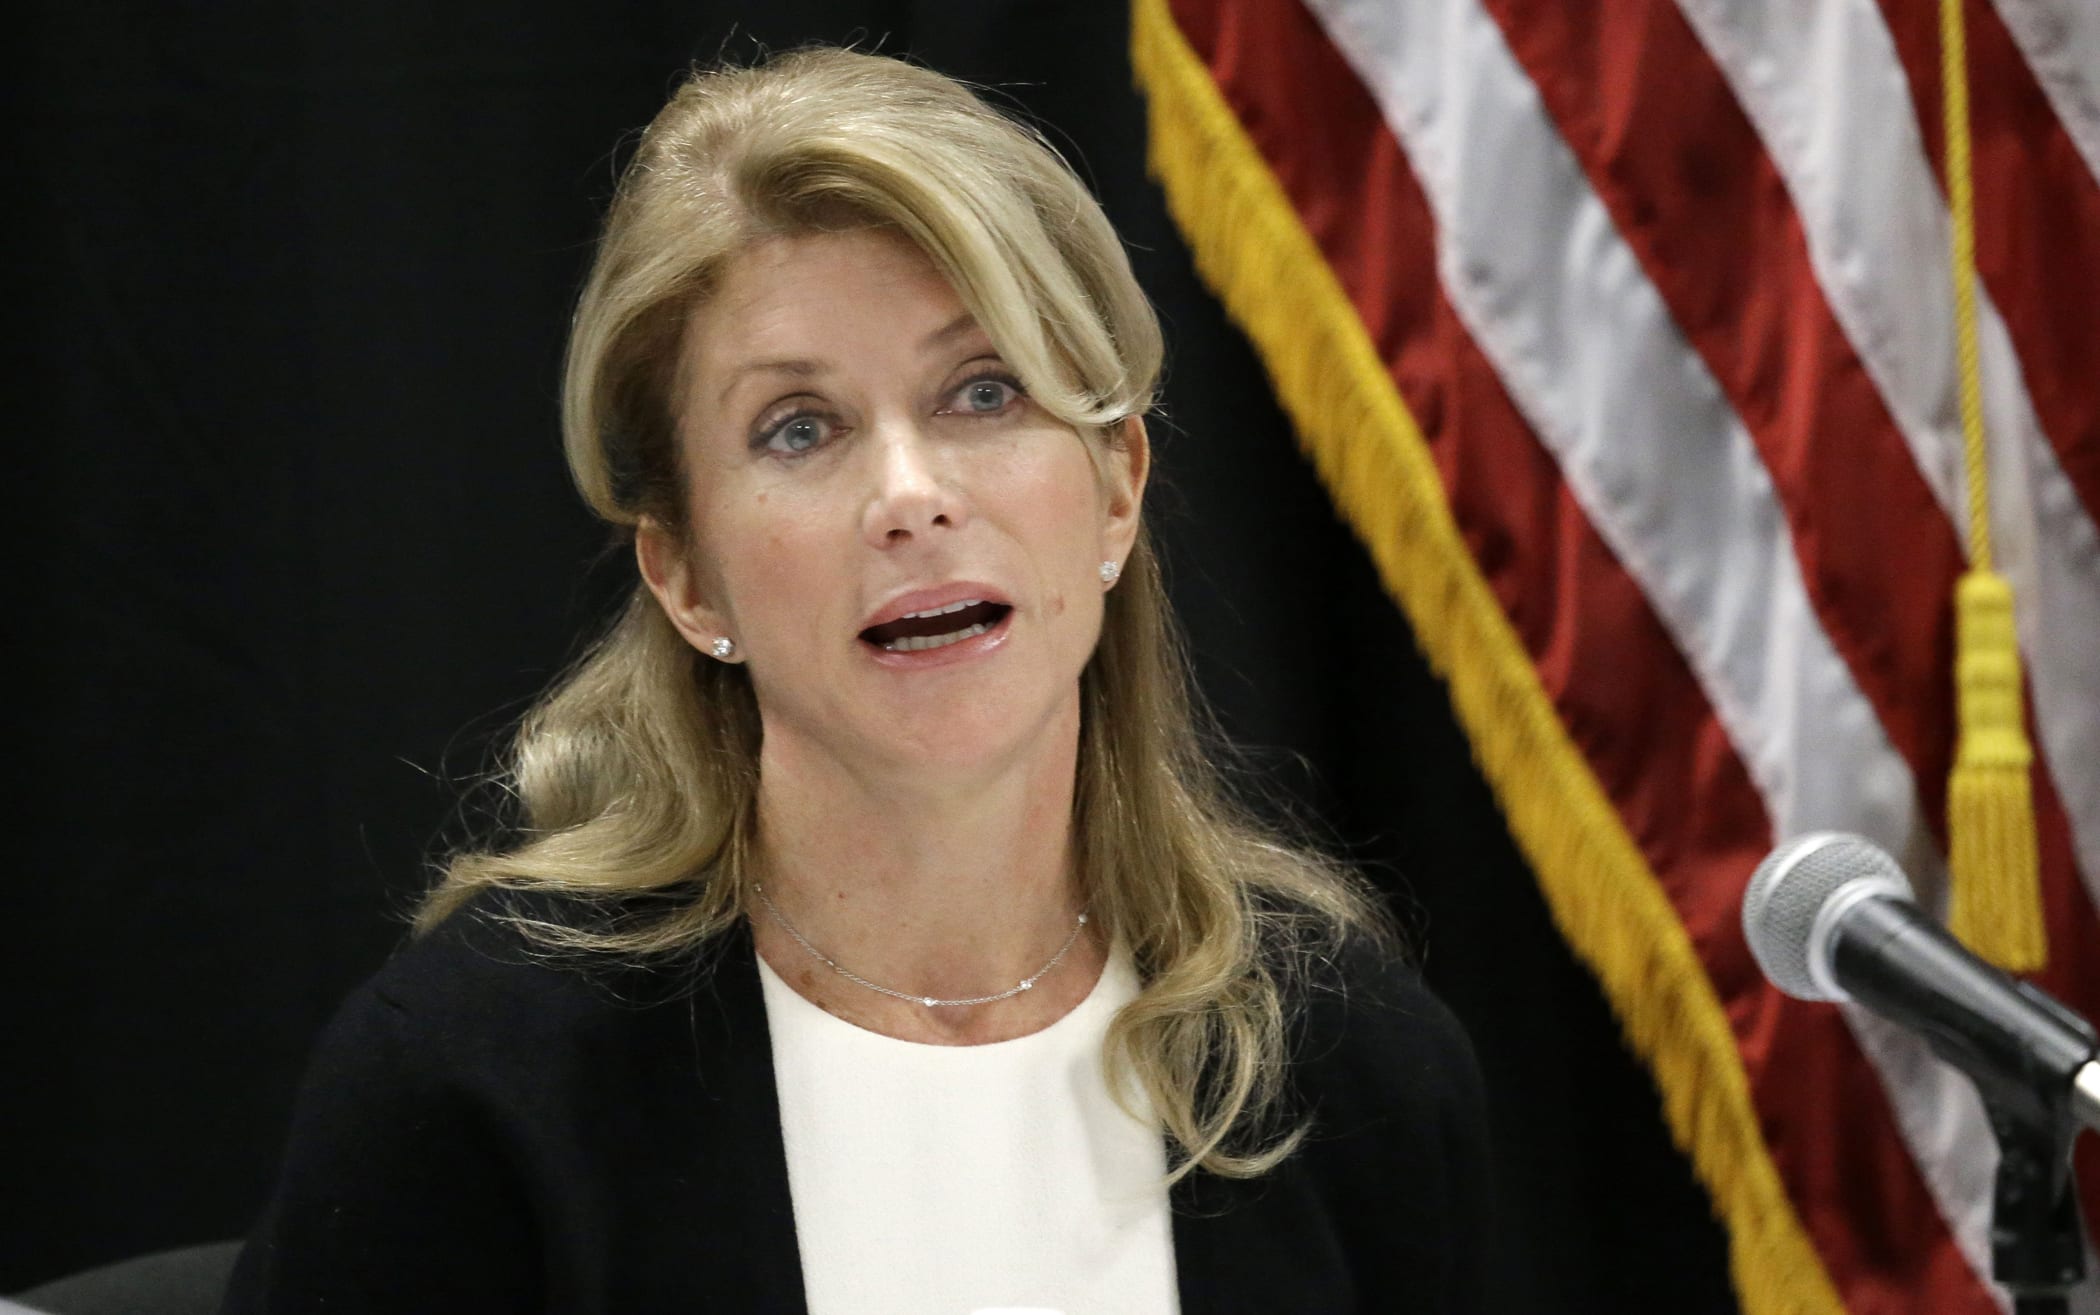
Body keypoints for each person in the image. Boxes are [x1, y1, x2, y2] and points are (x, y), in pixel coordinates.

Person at [223, 46, 1497, 1315]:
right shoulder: (471, 1090)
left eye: (983, 392)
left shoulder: (1345, 1063)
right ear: (684, 578)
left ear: (1115, 488)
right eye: (800, 427)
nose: (911, 496)